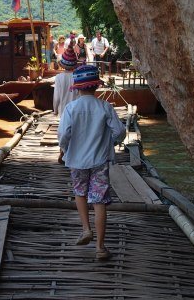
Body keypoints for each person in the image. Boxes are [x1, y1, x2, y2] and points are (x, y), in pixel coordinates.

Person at [58, 64, 126, 260]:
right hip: (99, 161)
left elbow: (64, 134)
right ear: (96, 86)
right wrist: (111, 142)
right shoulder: (105, 106)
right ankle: (100, 248)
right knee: (99, 200)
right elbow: (120, 132)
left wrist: (64, 150)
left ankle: (86, 229)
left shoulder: (71, 108)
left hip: (76, 161)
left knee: (80, 192)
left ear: (77, 87)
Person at [53, 44, 79, 117]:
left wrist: (55, 111)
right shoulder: (78, 77)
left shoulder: (58, 77)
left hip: (63, 112)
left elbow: (56, 97)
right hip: (76, 112)